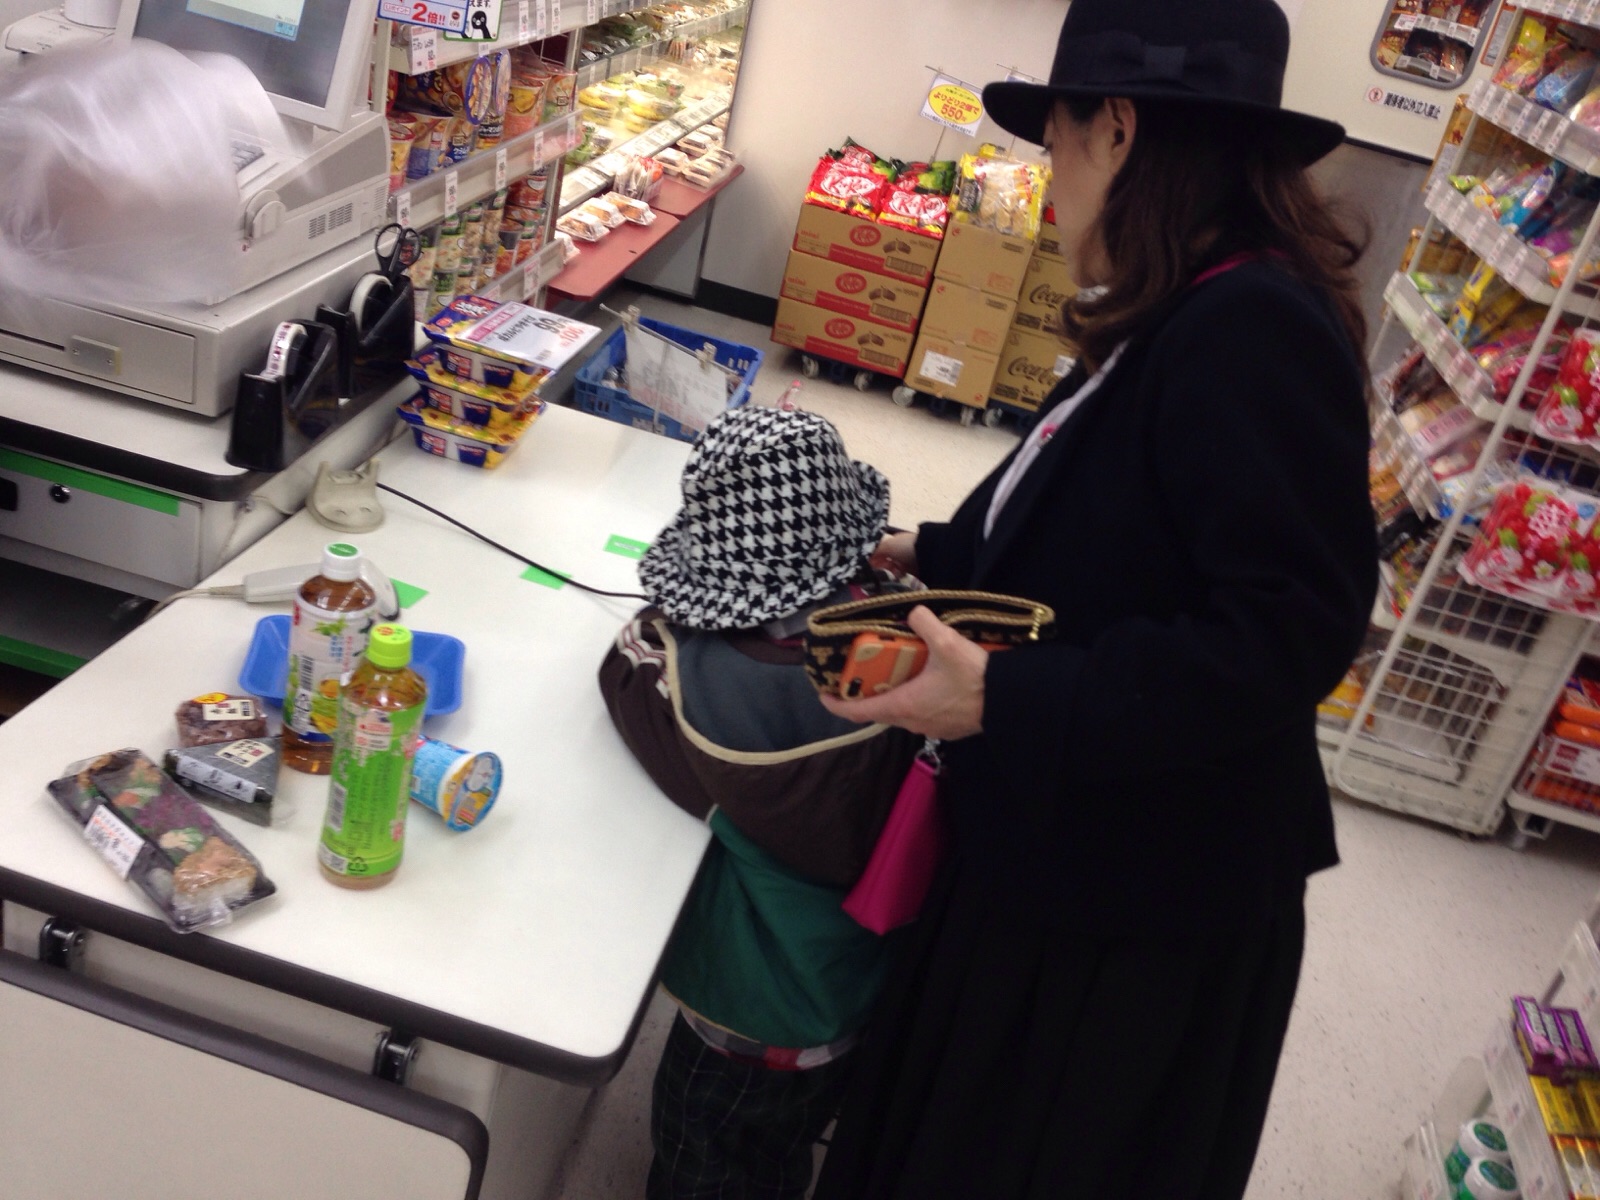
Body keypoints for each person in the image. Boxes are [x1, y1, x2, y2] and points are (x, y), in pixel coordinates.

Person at [808, 1, 1379, 1197]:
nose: (1046, 180)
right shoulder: (1184, 298)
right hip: (1070, 846)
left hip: (1136, 909)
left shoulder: (1251, 325)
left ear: (1115, 129)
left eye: (1054, 141)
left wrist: (1004, 698)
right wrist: (922, 551)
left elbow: (1288, 629)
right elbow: (1095, 511)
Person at [597, 405, 921, 1200]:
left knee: (697, 1156)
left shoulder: (722, 696)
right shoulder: (915, 641)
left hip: (743, 1013)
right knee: (777, 1152)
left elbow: (626, 664)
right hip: (848, 989)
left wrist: (688, 614)